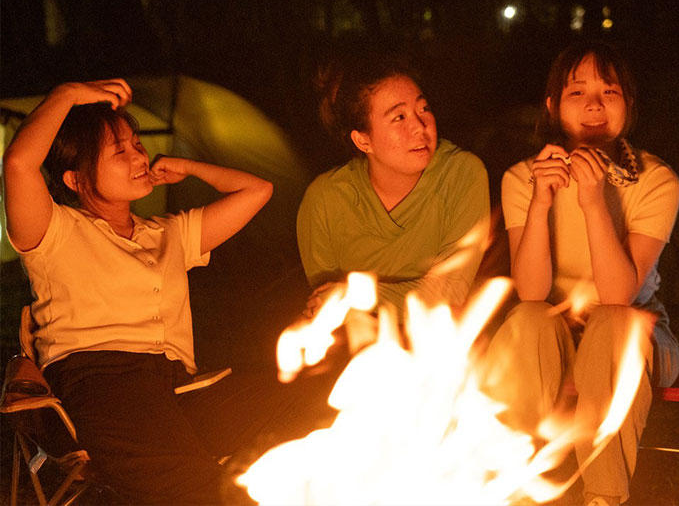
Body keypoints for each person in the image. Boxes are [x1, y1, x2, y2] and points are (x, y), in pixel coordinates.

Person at [2, 79, 284, 504]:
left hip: (177, 389)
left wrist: (190, 167)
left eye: (137, 145)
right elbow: (19, 163)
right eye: (120, 152)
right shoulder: (53, 230)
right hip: (101, 384)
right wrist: (67, 95)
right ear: (75, 178)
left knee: (300, 401)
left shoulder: (169, 233)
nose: (139, 157)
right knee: (194, 486)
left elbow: (258, 191)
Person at [482, 42, 679, 506]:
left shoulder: (655, 180)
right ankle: (511, 487)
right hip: (551, 337)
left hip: (634, 335)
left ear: (628, 105)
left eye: (609, 92)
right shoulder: (523, 178)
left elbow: (618, 296)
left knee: (613, 324)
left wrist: (593, 201)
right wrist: (541, 203)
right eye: (577, 92)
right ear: (553, 105)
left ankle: (603, 498)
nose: (594, 105)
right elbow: (531, 292)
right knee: (527, 319)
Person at [296, 55, 490, 342]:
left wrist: (353, 295)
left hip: (448, 342)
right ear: (363, 140)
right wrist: (342, 302)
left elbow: (450, 292)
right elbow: (327, 305)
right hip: (364, 348)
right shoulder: (325, 200)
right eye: (399, 117)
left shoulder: (461, 174)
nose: (420, 126)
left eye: (423, 109)